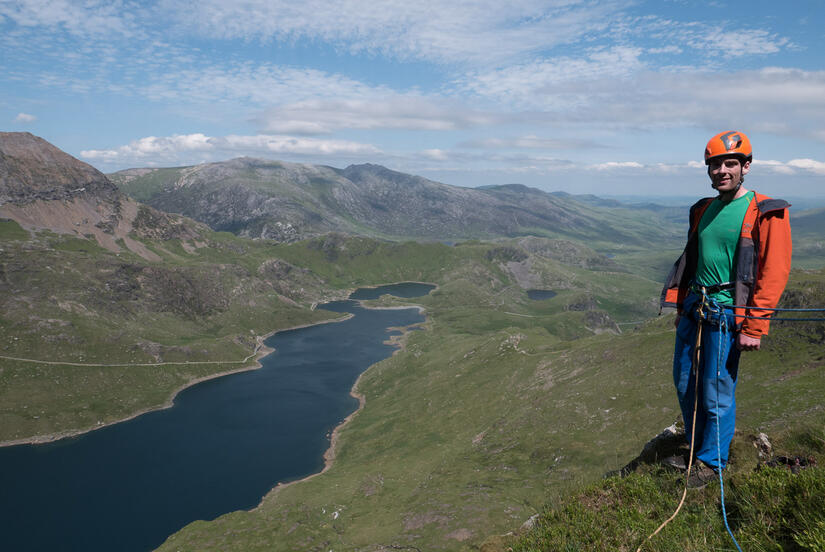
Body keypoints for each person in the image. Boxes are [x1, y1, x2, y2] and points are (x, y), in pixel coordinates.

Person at [660, 130, 792, 487]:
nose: (722, 170)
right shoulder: (703, 209)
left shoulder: (766, 212)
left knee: (717, 389)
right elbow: (694, 260)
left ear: (746, 166)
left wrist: (754, 326)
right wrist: (679, 305)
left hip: (725, 314)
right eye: (715, 164)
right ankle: (695, 446)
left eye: (730, 163)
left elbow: (774, 271)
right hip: (694, 308)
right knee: (685, 381)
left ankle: (712, 463)